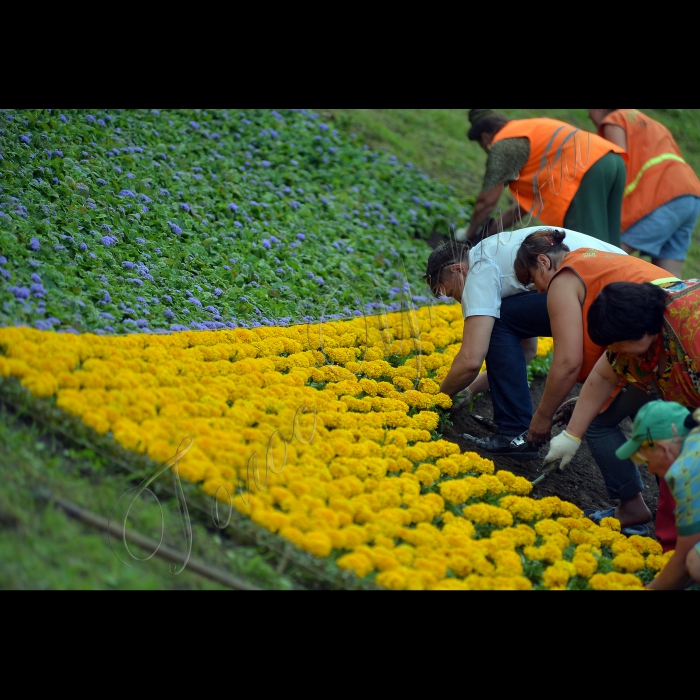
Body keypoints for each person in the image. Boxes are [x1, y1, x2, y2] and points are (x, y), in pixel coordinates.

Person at [512, 230, 680, 535]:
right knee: (650, 418)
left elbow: (566, 363)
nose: (536, 290)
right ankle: (677, 515)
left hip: (667, 339)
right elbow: (609, 367)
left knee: (598, 420)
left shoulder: (563, 280)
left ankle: (638, 508)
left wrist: (542, 419)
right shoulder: (588, 257)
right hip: (667, 329)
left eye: (531, 279)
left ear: (542, 262)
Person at [423, 226, 625, 459]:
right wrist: (469, 390)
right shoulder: (492, 254)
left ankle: (513, 432)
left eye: (450, 291)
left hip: (606, 289)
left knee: (497, 322)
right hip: (618, 278)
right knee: (503, 319)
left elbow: (470, 360)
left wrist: (437, 400)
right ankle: (516, 427)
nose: (457, 300)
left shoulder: (478, 271)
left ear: (458, 270)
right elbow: (526, 351)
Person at [543, 278, 700, 546]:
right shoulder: (631, 327)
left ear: (643, 333)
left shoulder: (692, 334)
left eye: (617, 345)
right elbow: (604, 377)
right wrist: (571, 436)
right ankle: (675, 549)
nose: (613, 352)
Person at [459, 110, 627, 247]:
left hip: (586, 169)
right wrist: (490, 233)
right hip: (612, 159)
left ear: (486, 137)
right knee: (609, 240)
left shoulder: (503, 145)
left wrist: (469, 234)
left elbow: (486, 202)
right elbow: (523, 207)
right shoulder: (527, 131)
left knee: (585, 245)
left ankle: (596, 286)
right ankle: (617, 284)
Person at [589, 109, 700, 279]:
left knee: (606, 257)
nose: (589, 115)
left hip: (661, 195)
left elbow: (617, 167)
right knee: (669, 279)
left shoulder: (614, 120)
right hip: (690, 193)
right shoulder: (653, 123)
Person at [614, 400, 700, 589]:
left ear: (662, 449)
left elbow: (684, 558)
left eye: (646, 460)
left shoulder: (686, 470)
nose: (650, 470)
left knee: (696, 561)